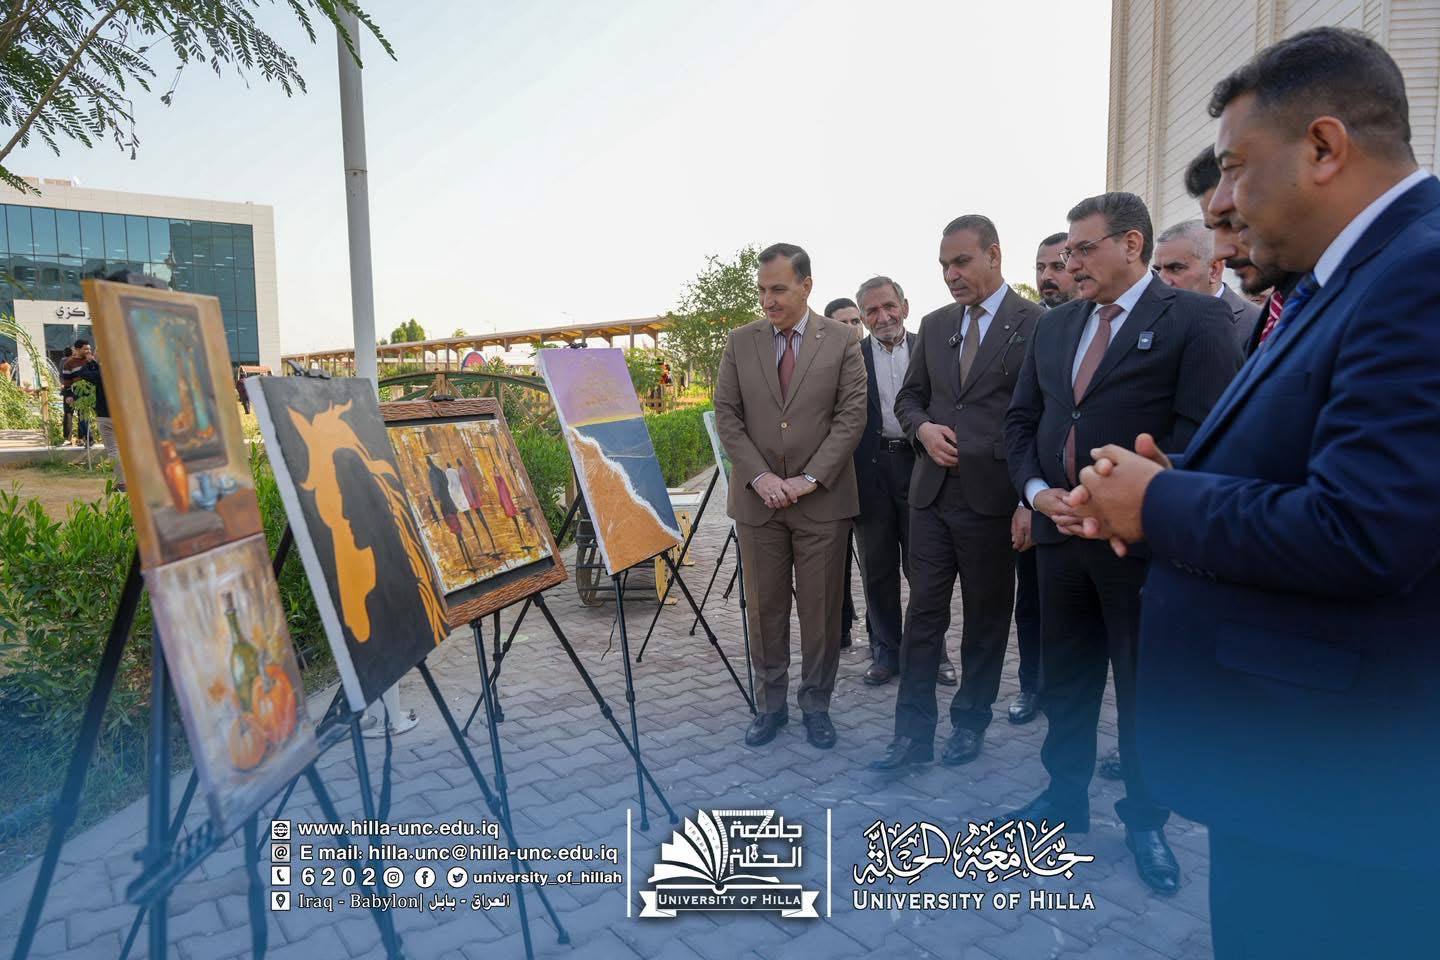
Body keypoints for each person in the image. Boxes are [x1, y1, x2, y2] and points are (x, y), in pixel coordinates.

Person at [1069, 28, 1438, 957]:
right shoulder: (1348, 278)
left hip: (1343, 786)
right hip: (1297, 770)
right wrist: (1175, 481)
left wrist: (1157, 506)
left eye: (1235, 167)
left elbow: (1363, 529)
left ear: (1324, 147)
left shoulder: (1419, 273)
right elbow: (1314, 466)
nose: (1221, 200)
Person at [1002, 191, 1241, 894]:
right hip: (1059, 535)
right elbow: (1022, 423)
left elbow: (1207, 435)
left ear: (1131, 244)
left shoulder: (1194, 319)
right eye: (1067, 250)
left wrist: (1128, 504)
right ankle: (1063, 798)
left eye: (1084, 248)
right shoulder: (1054, 326)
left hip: (1137, 548)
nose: (1071, 262)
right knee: (1066, 678)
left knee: (1141, 689)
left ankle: (1146, 818)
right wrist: (1037, 493)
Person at [870, 216, 1042, 772]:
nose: (950, 274)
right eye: (944, 265)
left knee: (987, 620)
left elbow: (1042, 418)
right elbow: (909, 399)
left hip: (994, 501)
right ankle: (911, 737)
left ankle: (970, 723)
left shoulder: (1037, 324)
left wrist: (1028, 500)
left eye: (961, 261)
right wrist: (921, 428)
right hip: (931, 498)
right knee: (923, 615)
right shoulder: (936, 323)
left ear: (994, 255)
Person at [713, 243, 867, 750]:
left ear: (806, 285)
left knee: (821, 613)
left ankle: (816, 705)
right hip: (758, 504)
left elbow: (851, 418)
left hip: (822, 503)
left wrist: (808, 479)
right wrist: (759, 477)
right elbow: (727, 416)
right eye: (762, 290)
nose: (767, 300)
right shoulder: (740, 342)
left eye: (778, 289)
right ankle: (770, 706)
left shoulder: (842, 340)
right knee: (765, 611)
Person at [1008, 233, 1080, 726]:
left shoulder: (1117, 327)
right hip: (1041, 500)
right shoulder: (1039, 329)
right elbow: (1023, 418)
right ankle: (1032, 688)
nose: (1048, 277)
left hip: (1101, 500)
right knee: (1032, 602)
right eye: (1041, 267)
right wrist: (1026, 499)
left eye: (1058, 265)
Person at [849, 277, 918, 686]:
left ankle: (929, 652)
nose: (883, 316)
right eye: (872, 310)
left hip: (921, 469)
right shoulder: (851, 357)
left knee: (924, 569)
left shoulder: (929, 348)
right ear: (862, 317)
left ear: (904, 307)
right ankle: (886, 653)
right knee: (878, 571)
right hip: (870, 473)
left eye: (889, 306)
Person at [1183, 145, 1301, 357]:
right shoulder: (1276, 311)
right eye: (1213, 229)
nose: (1219, 253)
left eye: (1234, 223)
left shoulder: (1347, 305)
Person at [823, 296, 866, 649]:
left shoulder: (875, 357)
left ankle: (881, 634)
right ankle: (840, 629)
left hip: (873, 476)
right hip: (833, 477)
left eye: (856, 321)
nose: (852, 329)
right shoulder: (822, 365)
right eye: (843, 323)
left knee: (875, 562)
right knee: (837, 562)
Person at [1153, 220, 1261, 348]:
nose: (1161, 281)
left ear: (1214, 270)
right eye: (1158, 270)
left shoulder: (1256, 324)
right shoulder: (1151, 319)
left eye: (1175, 268)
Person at [66, 342, 124, 488]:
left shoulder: (102, 373)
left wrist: (91, 361)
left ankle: (122, 482)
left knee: (113, 449)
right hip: (125, 415)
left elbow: (84, 374)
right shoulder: (123, 369)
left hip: (106, 414)